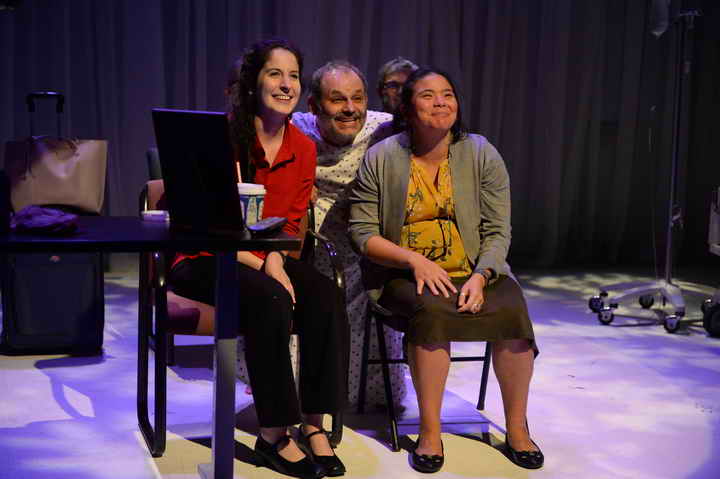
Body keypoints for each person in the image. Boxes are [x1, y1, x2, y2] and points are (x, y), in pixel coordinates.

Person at [348, 68, 543, 473]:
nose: (440, 102)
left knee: (512, 310)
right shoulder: (382, 157)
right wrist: (413, 260)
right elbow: (363, 233)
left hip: (474, 269)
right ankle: (430, 431)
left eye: (448, 94)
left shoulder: (481, 153)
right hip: (403, 274)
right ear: (407, 108)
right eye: (428, 95)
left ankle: (516, 429)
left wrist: (481, 276)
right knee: (432, 312)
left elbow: (498, 230)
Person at [168, 39, 347, 478]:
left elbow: (291, 223)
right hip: (204, 257)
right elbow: (205, 225)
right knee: (270, 298)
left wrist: (275, 262)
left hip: (267, 257)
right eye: (275, 74)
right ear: (253, 83)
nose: (286, 84)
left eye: (293, 76)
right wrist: (264, 264)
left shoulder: (303, 148)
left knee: (325, 295)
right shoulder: (220, 138)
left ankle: (313, 423)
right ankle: (273, 435)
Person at [292, 61, 405, 409]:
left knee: (367, 285)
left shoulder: (383, 130)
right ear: (314, 105)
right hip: (309, 241)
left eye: (358, 98)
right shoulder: (295, 129)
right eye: (338, 99)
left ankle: (361, 391)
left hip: (366, 238)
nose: (350, 108)